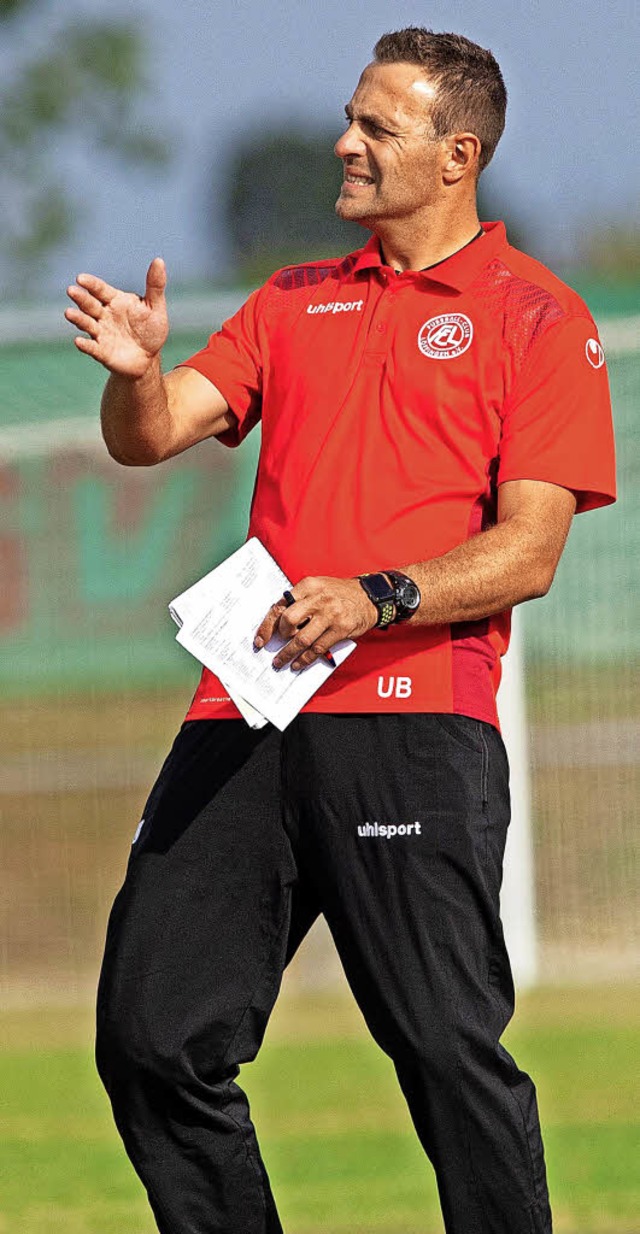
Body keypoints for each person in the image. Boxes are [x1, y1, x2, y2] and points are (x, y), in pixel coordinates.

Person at [65, 27, 616, 1234]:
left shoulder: (538, 316)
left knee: (443, 1047)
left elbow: (528, 547)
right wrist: (136, 372)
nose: (345, 143)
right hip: (246, 711)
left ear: (455, 153)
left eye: (377, 126)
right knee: (151, 1037)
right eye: (349, 118)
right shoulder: (289, 299)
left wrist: (378, 595)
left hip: (415, 724)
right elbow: (148, 435)